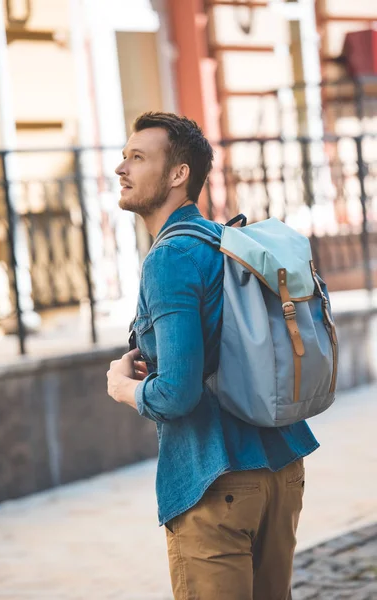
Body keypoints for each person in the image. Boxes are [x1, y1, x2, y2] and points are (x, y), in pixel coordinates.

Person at [106, 112, 319, 600]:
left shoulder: (169, 258)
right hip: (281, 470)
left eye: (137, 157)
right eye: (124, 157)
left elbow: (177, 395)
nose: (121, 169)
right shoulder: (227, 243)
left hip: (215, 479)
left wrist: (127, 388)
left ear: (179, 174)